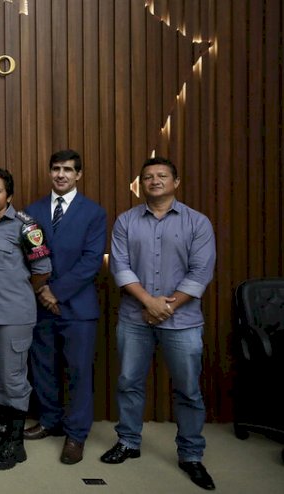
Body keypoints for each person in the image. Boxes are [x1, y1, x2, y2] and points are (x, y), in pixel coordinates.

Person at [101, 156, 217, 491]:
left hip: (183, 321)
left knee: (189, 391)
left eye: (162, 176)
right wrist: (149, 302)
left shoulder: (198, 223)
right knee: (128, 383)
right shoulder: (126, 221)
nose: (155, 181)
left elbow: (201, 272)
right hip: (135, 318)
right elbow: (120, 268)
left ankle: (191, 455)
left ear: (176, 182)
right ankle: (128, 442)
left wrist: (166, 306)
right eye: (148, 177)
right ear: (141, 184)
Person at [22, 149, 106, 464]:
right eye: (56, 168)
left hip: (78, 308)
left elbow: (91, 262)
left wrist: (55, 292)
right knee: (43, 367)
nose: (61, 174)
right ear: (49, 172)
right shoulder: (31, 211)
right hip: (41, 306)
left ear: (78, 175)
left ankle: (76, 434)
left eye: (68, 170)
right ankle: (49, 420)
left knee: (79, 372)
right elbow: (29, 257)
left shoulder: (94, 213)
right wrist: (43, 291)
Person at [0, 168, 51, 470]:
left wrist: (18, 292)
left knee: (14, 379)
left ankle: (16, 445)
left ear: (9, 196)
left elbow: (43, 269)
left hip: (15, 315)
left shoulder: (26, 227)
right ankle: (2, 433)